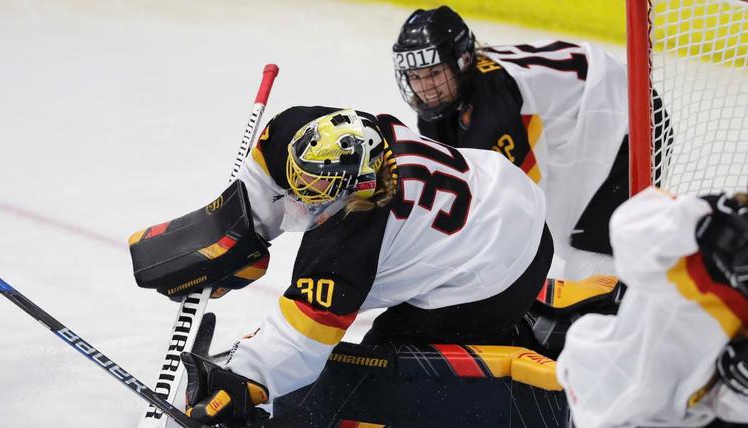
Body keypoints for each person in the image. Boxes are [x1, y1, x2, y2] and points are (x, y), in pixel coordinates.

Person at [178, 106, 554, 426]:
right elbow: (281, 145)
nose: (302, 197)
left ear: (353, 191)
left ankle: (504, 336)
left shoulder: (356, 234)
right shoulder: (350, 138)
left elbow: (303, 337)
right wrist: (238, 232)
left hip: (501, 274)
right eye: (302, 180)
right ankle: (515, 328)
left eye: (317, 192)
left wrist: (246, 379)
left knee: (378, 373)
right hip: (509, 199)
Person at [556, 136, 748, 427]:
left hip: (683, 420)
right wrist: (700, 228)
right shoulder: (706, 218)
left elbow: (728, 407)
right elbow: (626, 236)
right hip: (609, 395)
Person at [392, 6, 670, 279]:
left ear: (462, 61)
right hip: (588, 122)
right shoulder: (445, 99)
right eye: (415, 77)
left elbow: (514, 203)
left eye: (433, 73)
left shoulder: (494, 106)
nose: (425, 88)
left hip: (631, 116)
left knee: (591, 253)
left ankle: (620, 309)